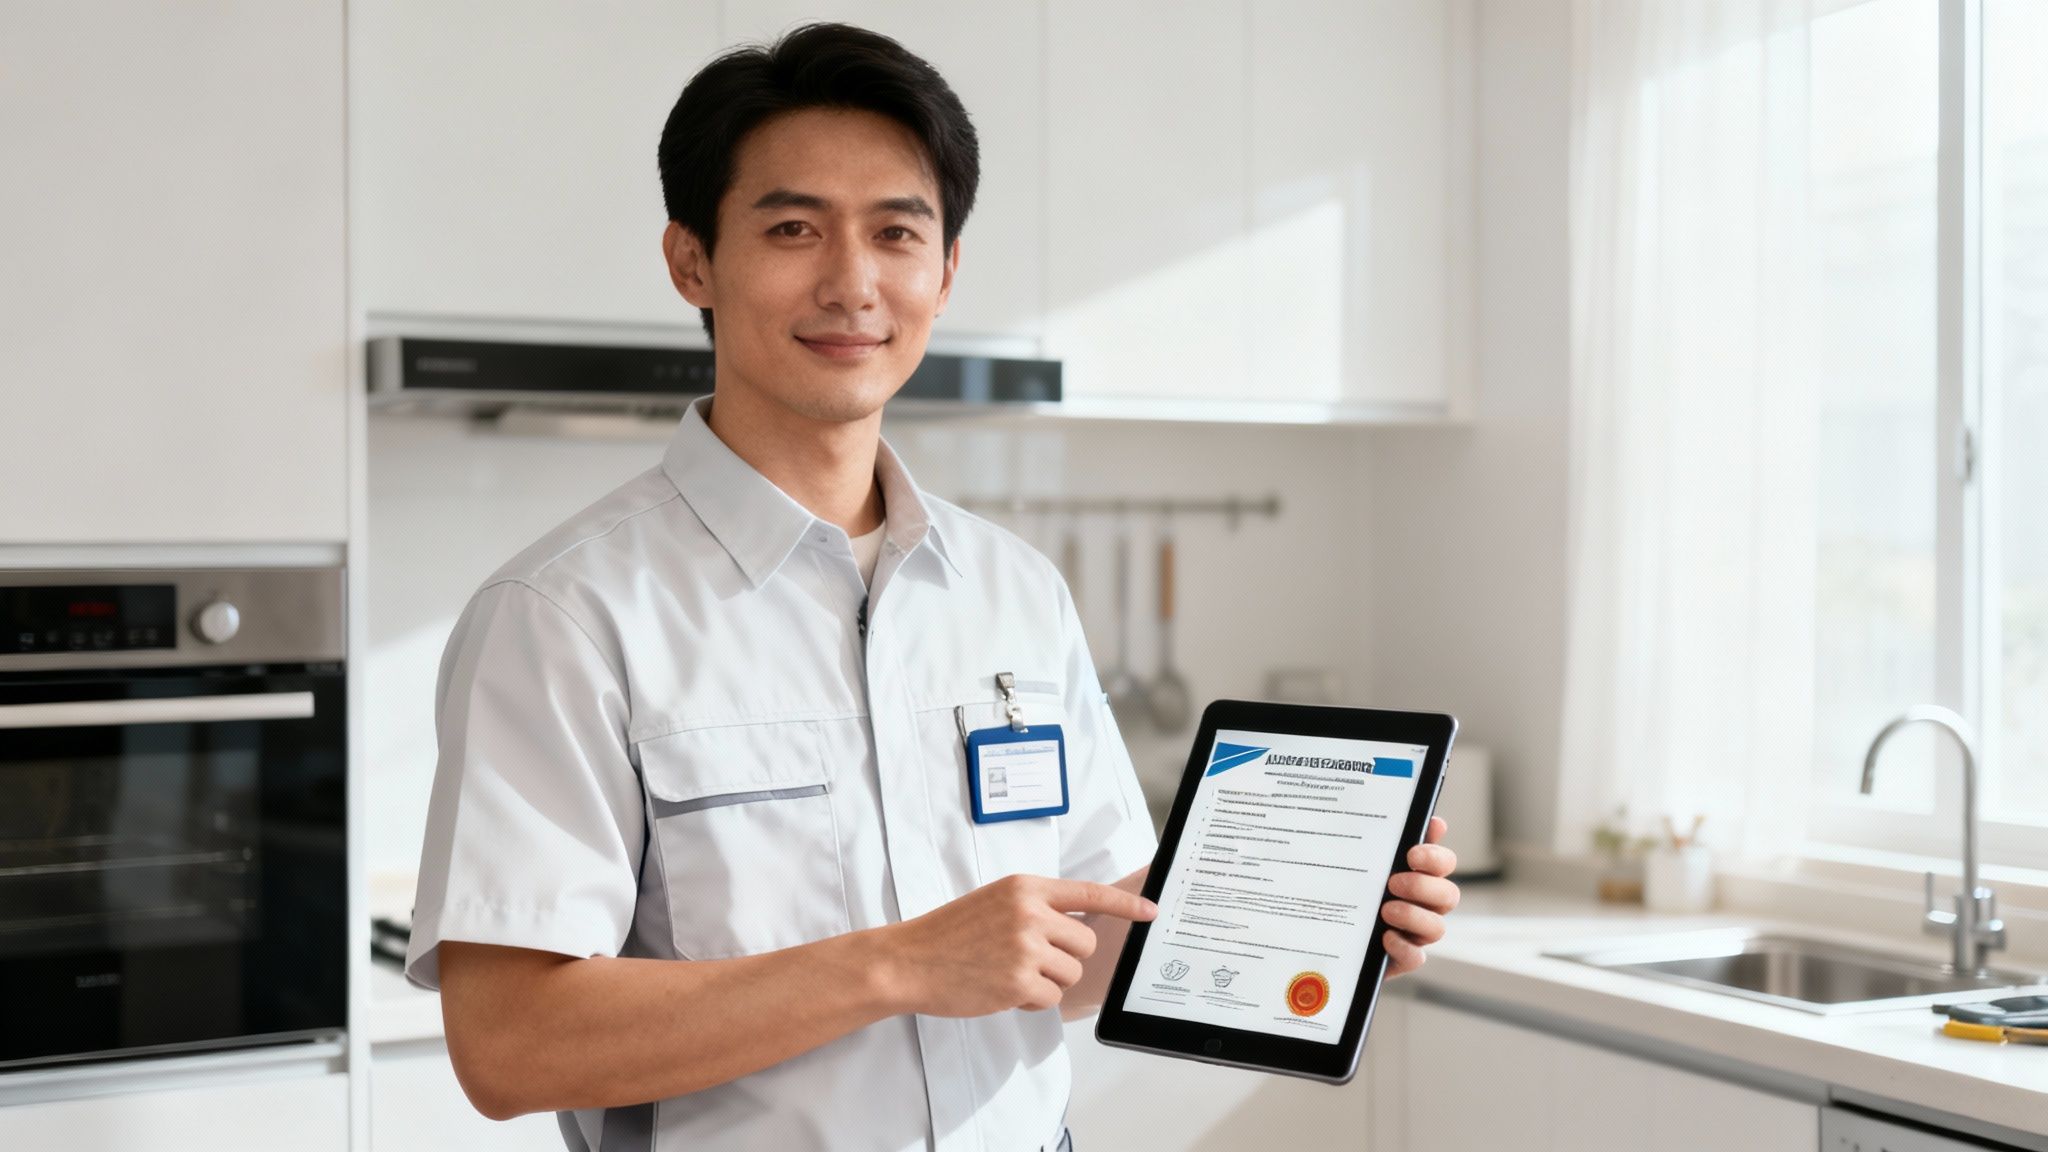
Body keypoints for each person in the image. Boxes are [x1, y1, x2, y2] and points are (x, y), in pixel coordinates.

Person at [404, 22, 1461, 1152]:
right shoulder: (565, 616)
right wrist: (900, 963)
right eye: (793, 227)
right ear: (691, 261)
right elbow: (511, 1048)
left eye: (895, 232)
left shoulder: (1010, 589)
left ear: (945, 271)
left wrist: (1319, 918)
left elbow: (1079, 948)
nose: (851, 282)